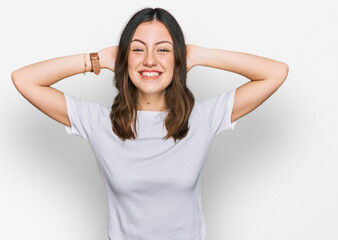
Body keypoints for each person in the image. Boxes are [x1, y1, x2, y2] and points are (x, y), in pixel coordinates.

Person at [11, 7, 288, 240]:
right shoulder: (98, 123)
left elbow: (275, 73)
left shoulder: (202, 119)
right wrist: (99, 59)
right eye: (138, 49)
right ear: (125, 58)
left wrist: (199, 55)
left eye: (163, 50)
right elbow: (24, 79)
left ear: (178, 58)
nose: (150, 60)